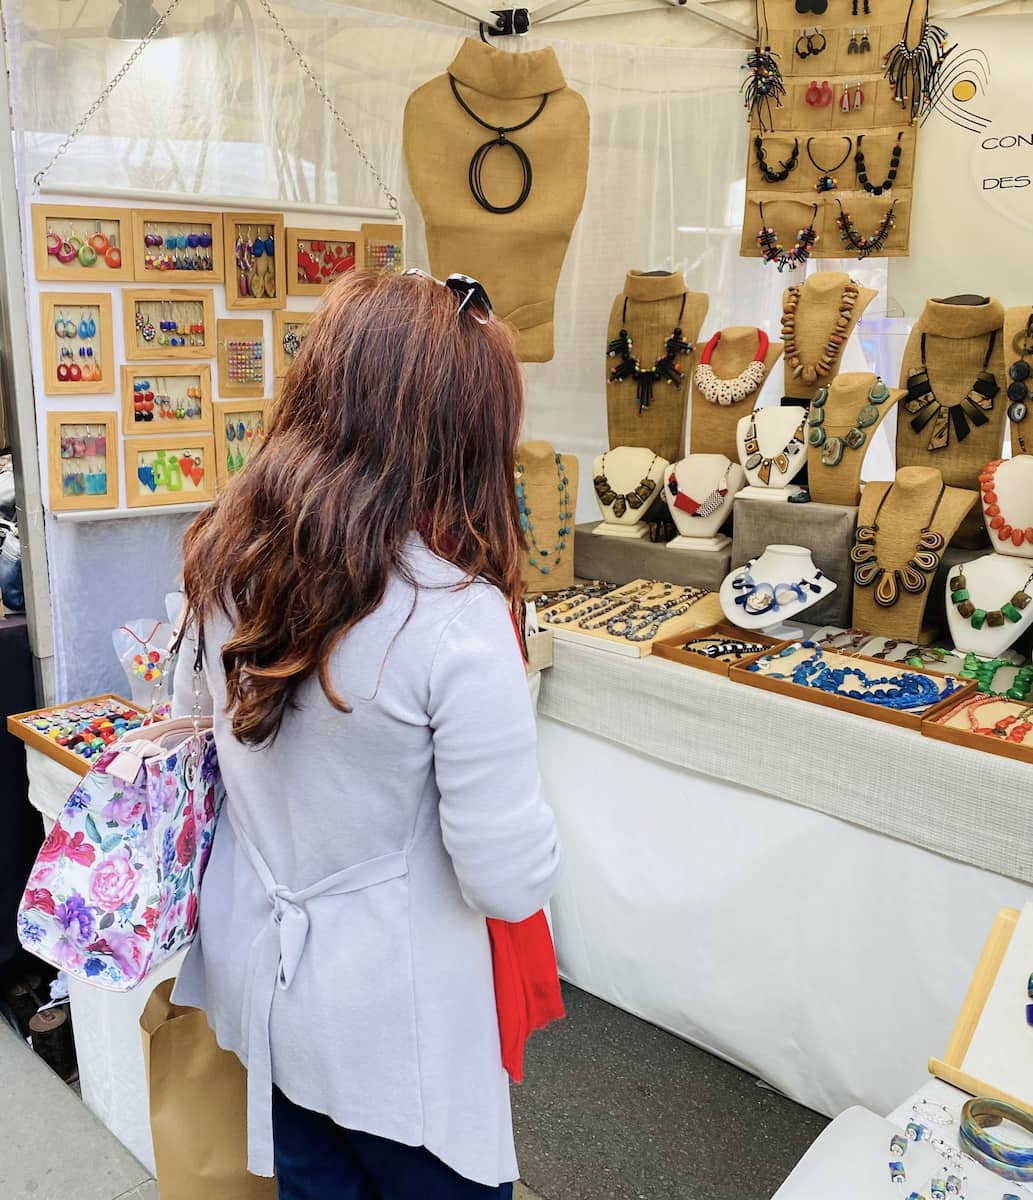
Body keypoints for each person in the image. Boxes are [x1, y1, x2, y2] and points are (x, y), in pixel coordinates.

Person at [171, 269, 562, 1199]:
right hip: (398, 1022)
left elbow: (192, 722)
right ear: (462, 432)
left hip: (269, 982)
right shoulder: (453, 616)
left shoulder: (229, 556)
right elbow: (507, 880)